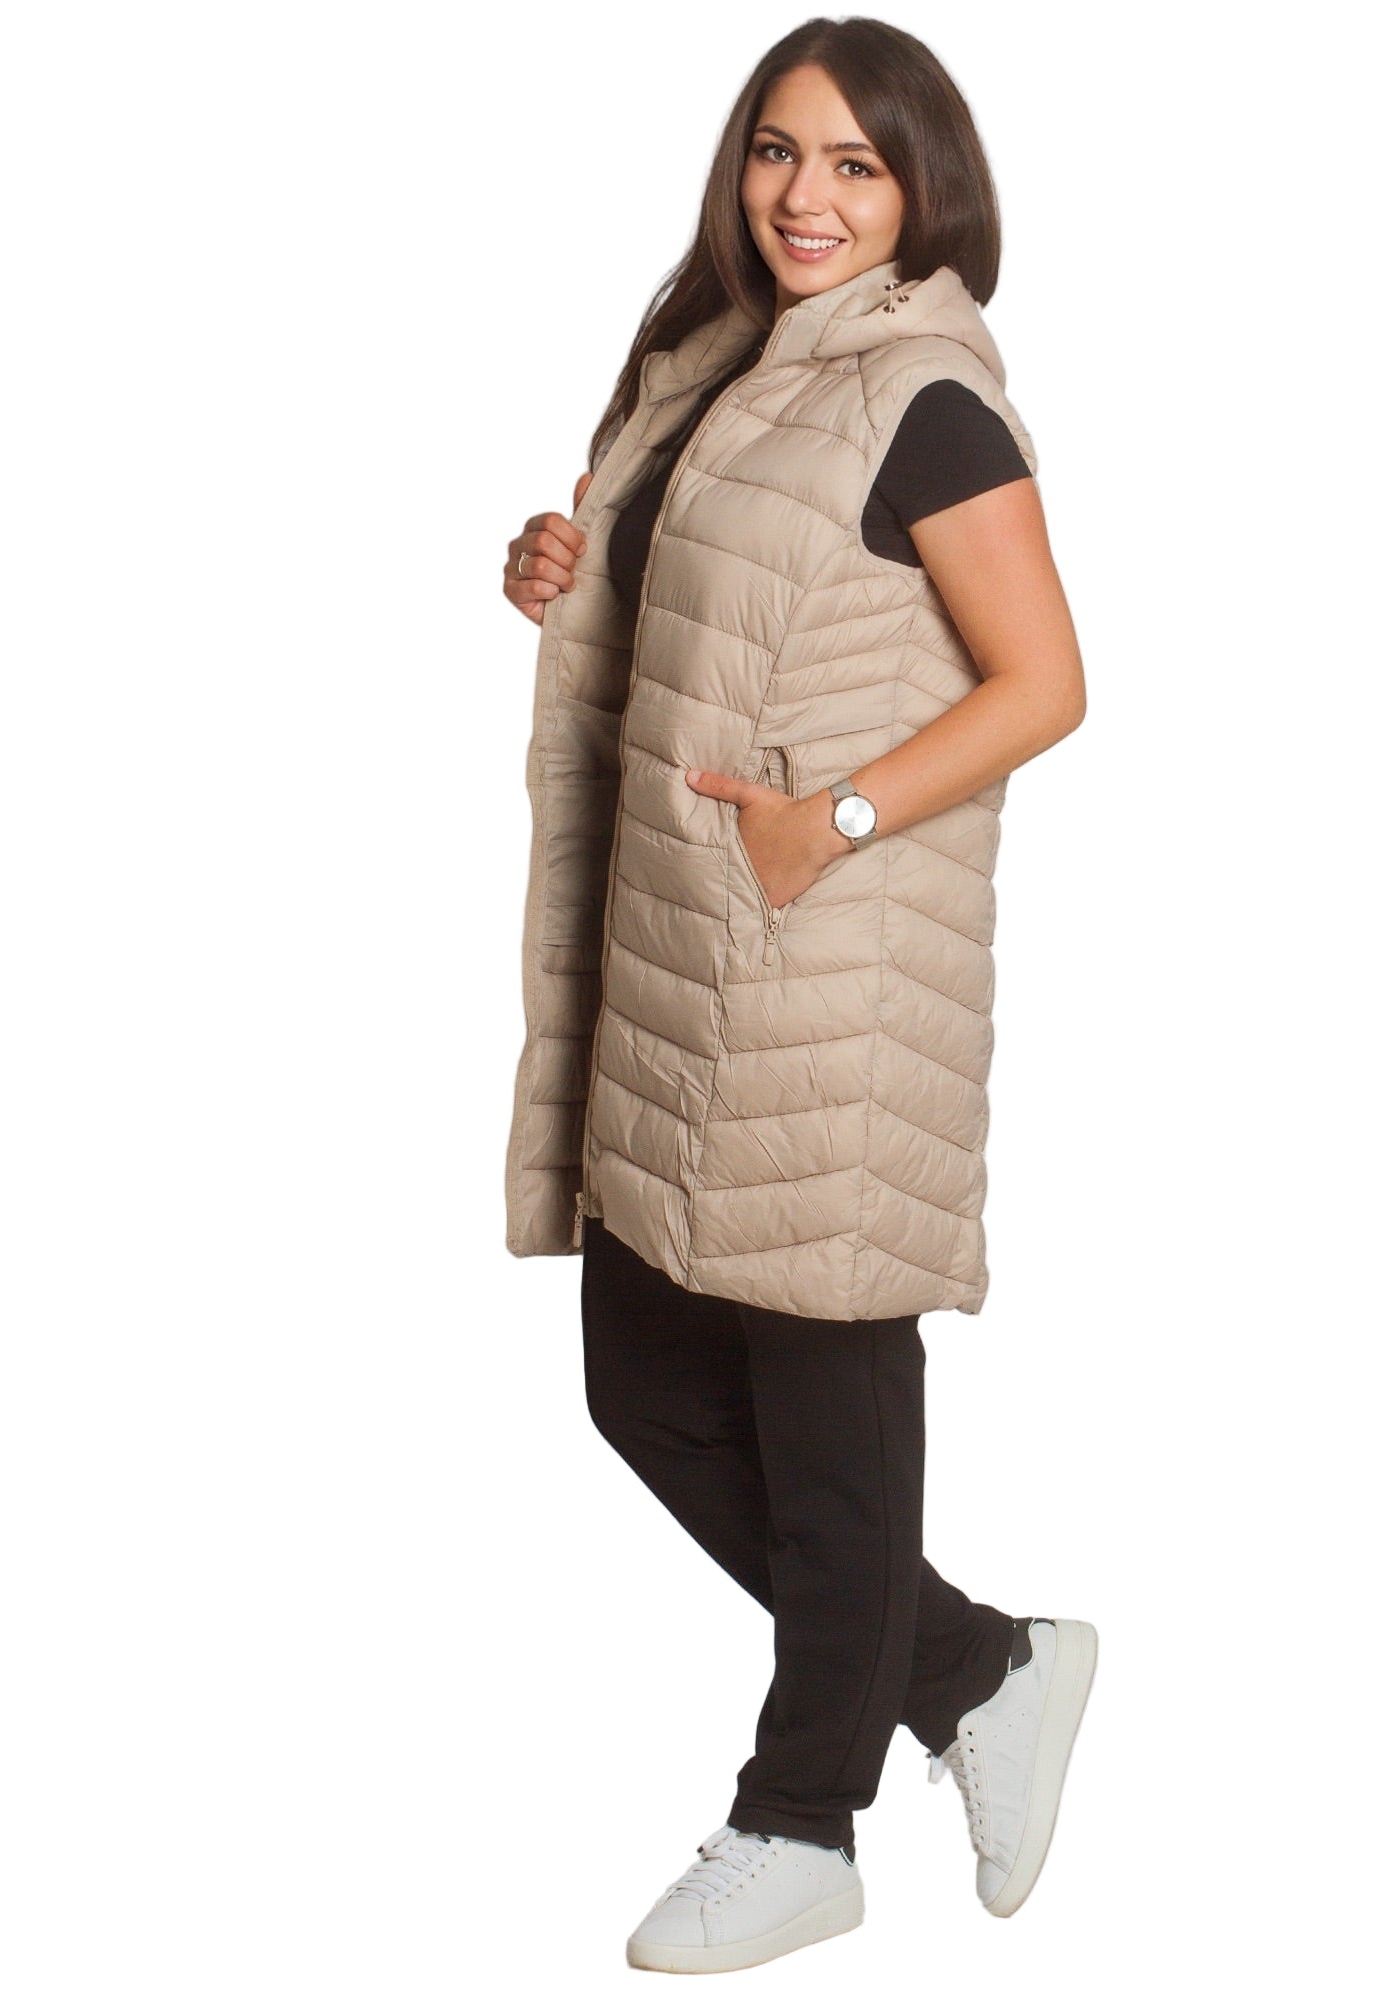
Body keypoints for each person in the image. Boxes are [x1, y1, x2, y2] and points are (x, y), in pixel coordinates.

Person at [501, 19, 1095, 1974]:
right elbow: (704, 591)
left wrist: (827, 821)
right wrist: (567, 561)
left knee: (829, 1419)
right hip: (690, 950)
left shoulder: (925, 398)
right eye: (777, 151)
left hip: (827, 965)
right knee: (643, 1384)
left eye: (854, 163)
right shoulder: (714, 360)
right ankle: (981, 1667)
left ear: (925, 190)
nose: (804, 195)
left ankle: (802, 1825)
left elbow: (1045, 682)